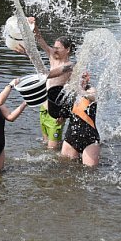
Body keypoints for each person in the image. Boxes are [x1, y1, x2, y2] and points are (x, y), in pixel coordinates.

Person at [19, 20, 74, 149]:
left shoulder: (70, 66)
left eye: (58, 48)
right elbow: (40, 39)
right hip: (44, 108)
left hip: (56, 112)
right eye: (54, 47)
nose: (54, 49)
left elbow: (69, 90)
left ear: (67, 50)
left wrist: (63, 114)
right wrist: (34, 26)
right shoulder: (52, 56)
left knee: (52, 149)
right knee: (45, 145)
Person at [61, 72, 100, 166]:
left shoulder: (91, 90)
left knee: (91, 171)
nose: (81, 80)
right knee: (64, 167)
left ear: (88, 78)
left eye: (83, 77)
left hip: (90, 139)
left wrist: (79, 90)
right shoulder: (70, 93)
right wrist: (60, 119)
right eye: (78, 77)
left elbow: (94, 97)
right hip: (71, 137)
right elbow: (65, 114)